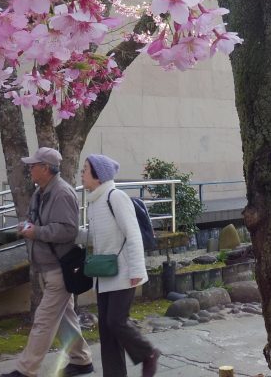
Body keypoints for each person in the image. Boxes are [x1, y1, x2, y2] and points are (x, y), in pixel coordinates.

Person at [0, 147, 94, 377]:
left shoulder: (62, 193)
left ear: (45, 168)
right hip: (48, 267)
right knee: (64, 318)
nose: (30, 168)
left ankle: (26, 370)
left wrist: (37, 232)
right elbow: (36, 221)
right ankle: (82, 361)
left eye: (33, 165)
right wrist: (26, 227)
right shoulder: (41, 191)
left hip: (58, 268)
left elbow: (69, 231)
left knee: (44, 320)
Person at [79, 154, 160, 377]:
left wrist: (136, 270)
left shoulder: (115, 197)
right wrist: (70, 234)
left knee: (116, 321)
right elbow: (95, 237)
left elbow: (133, 234)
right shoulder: (95, 201)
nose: (81, 174)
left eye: (85, 169)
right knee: (106, 330)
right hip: (104, 275)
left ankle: (148, 353)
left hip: (124, 272)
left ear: (98, 175)